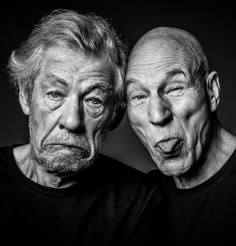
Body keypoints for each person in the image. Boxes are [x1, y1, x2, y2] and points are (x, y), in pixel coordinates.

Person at [0, 9, 164, 245]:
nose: (72, 121)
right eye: (56, 94)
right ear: (26, 97)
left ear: (115, 115)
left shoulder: (139, 203)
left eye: (94, 100)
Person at [126, 26, 236, 244]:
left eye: (175, 88)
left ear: (211, 92)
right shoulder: (142, 200)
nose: (157, 115)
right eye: (138, 96)